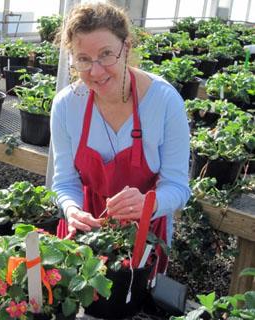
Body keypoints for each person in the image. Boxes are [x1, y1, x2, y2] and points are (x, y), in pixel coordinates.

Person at [51, 2, 191, 272]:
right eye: (83, 59)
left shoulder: (164, 102)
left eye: (106, 55)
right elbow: (65, 181)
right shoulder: (67, 105)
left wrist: (150, 203)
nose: (96, 71)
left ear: (126, 48)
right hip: (86, 232)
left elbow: (178, 186)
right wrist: (72, 210)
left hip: (145, 235)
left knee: (134, 301)